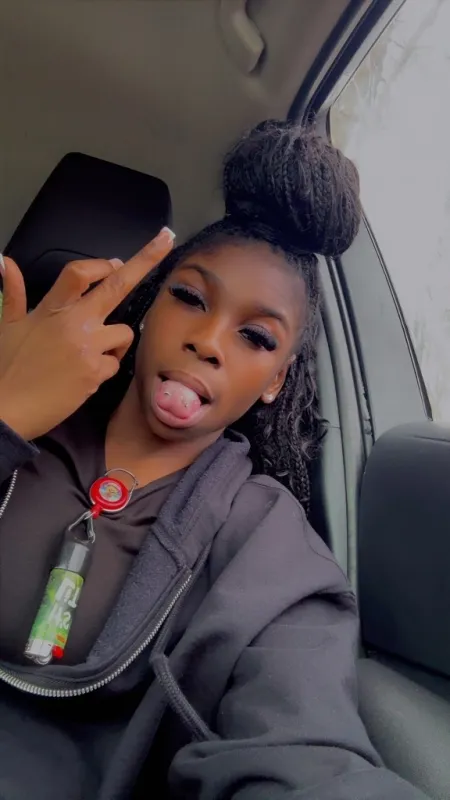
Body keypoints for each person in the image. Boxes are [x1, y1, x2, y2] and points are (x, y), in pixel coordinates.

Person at [0, 121, 427, 800]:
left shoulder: (271, 548)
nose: (208, 340)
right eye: (190, 298)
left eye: (255, 336)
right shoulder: (21, 412)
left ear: (276, 380)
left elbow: (302, 753)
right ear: (150, 307)